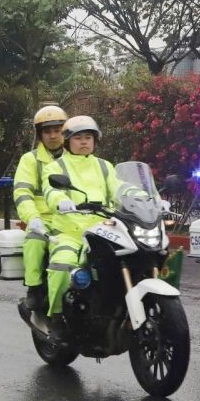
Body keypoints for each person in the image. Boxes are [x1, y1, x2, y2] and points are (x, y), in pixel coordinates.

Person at [40, 115, 125, 330]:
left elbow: (121, 189)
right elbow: (50, 191)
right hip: (70, 232)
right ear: (68, 142)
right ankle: (57, 318)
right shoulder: (56, 167)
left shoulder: (105, 166)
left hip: (104, 231)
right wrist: (61, 201)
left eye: (88, 137)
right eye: (78, 138)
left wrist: (146, 199)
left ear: (95, 141)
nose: (84, 142)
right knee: (63, 265)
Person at [11, 105, 68, 320]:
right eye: (48, 131)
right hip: (43, 220)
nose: (53, 136)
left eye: (57, 130)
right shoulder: (31, 160)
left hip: (74, 221)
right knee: (34, 242)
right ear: (40, 134)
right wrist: (33, 218)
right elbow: (22, 193)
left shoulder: (77, 157)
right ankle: (34, 289)